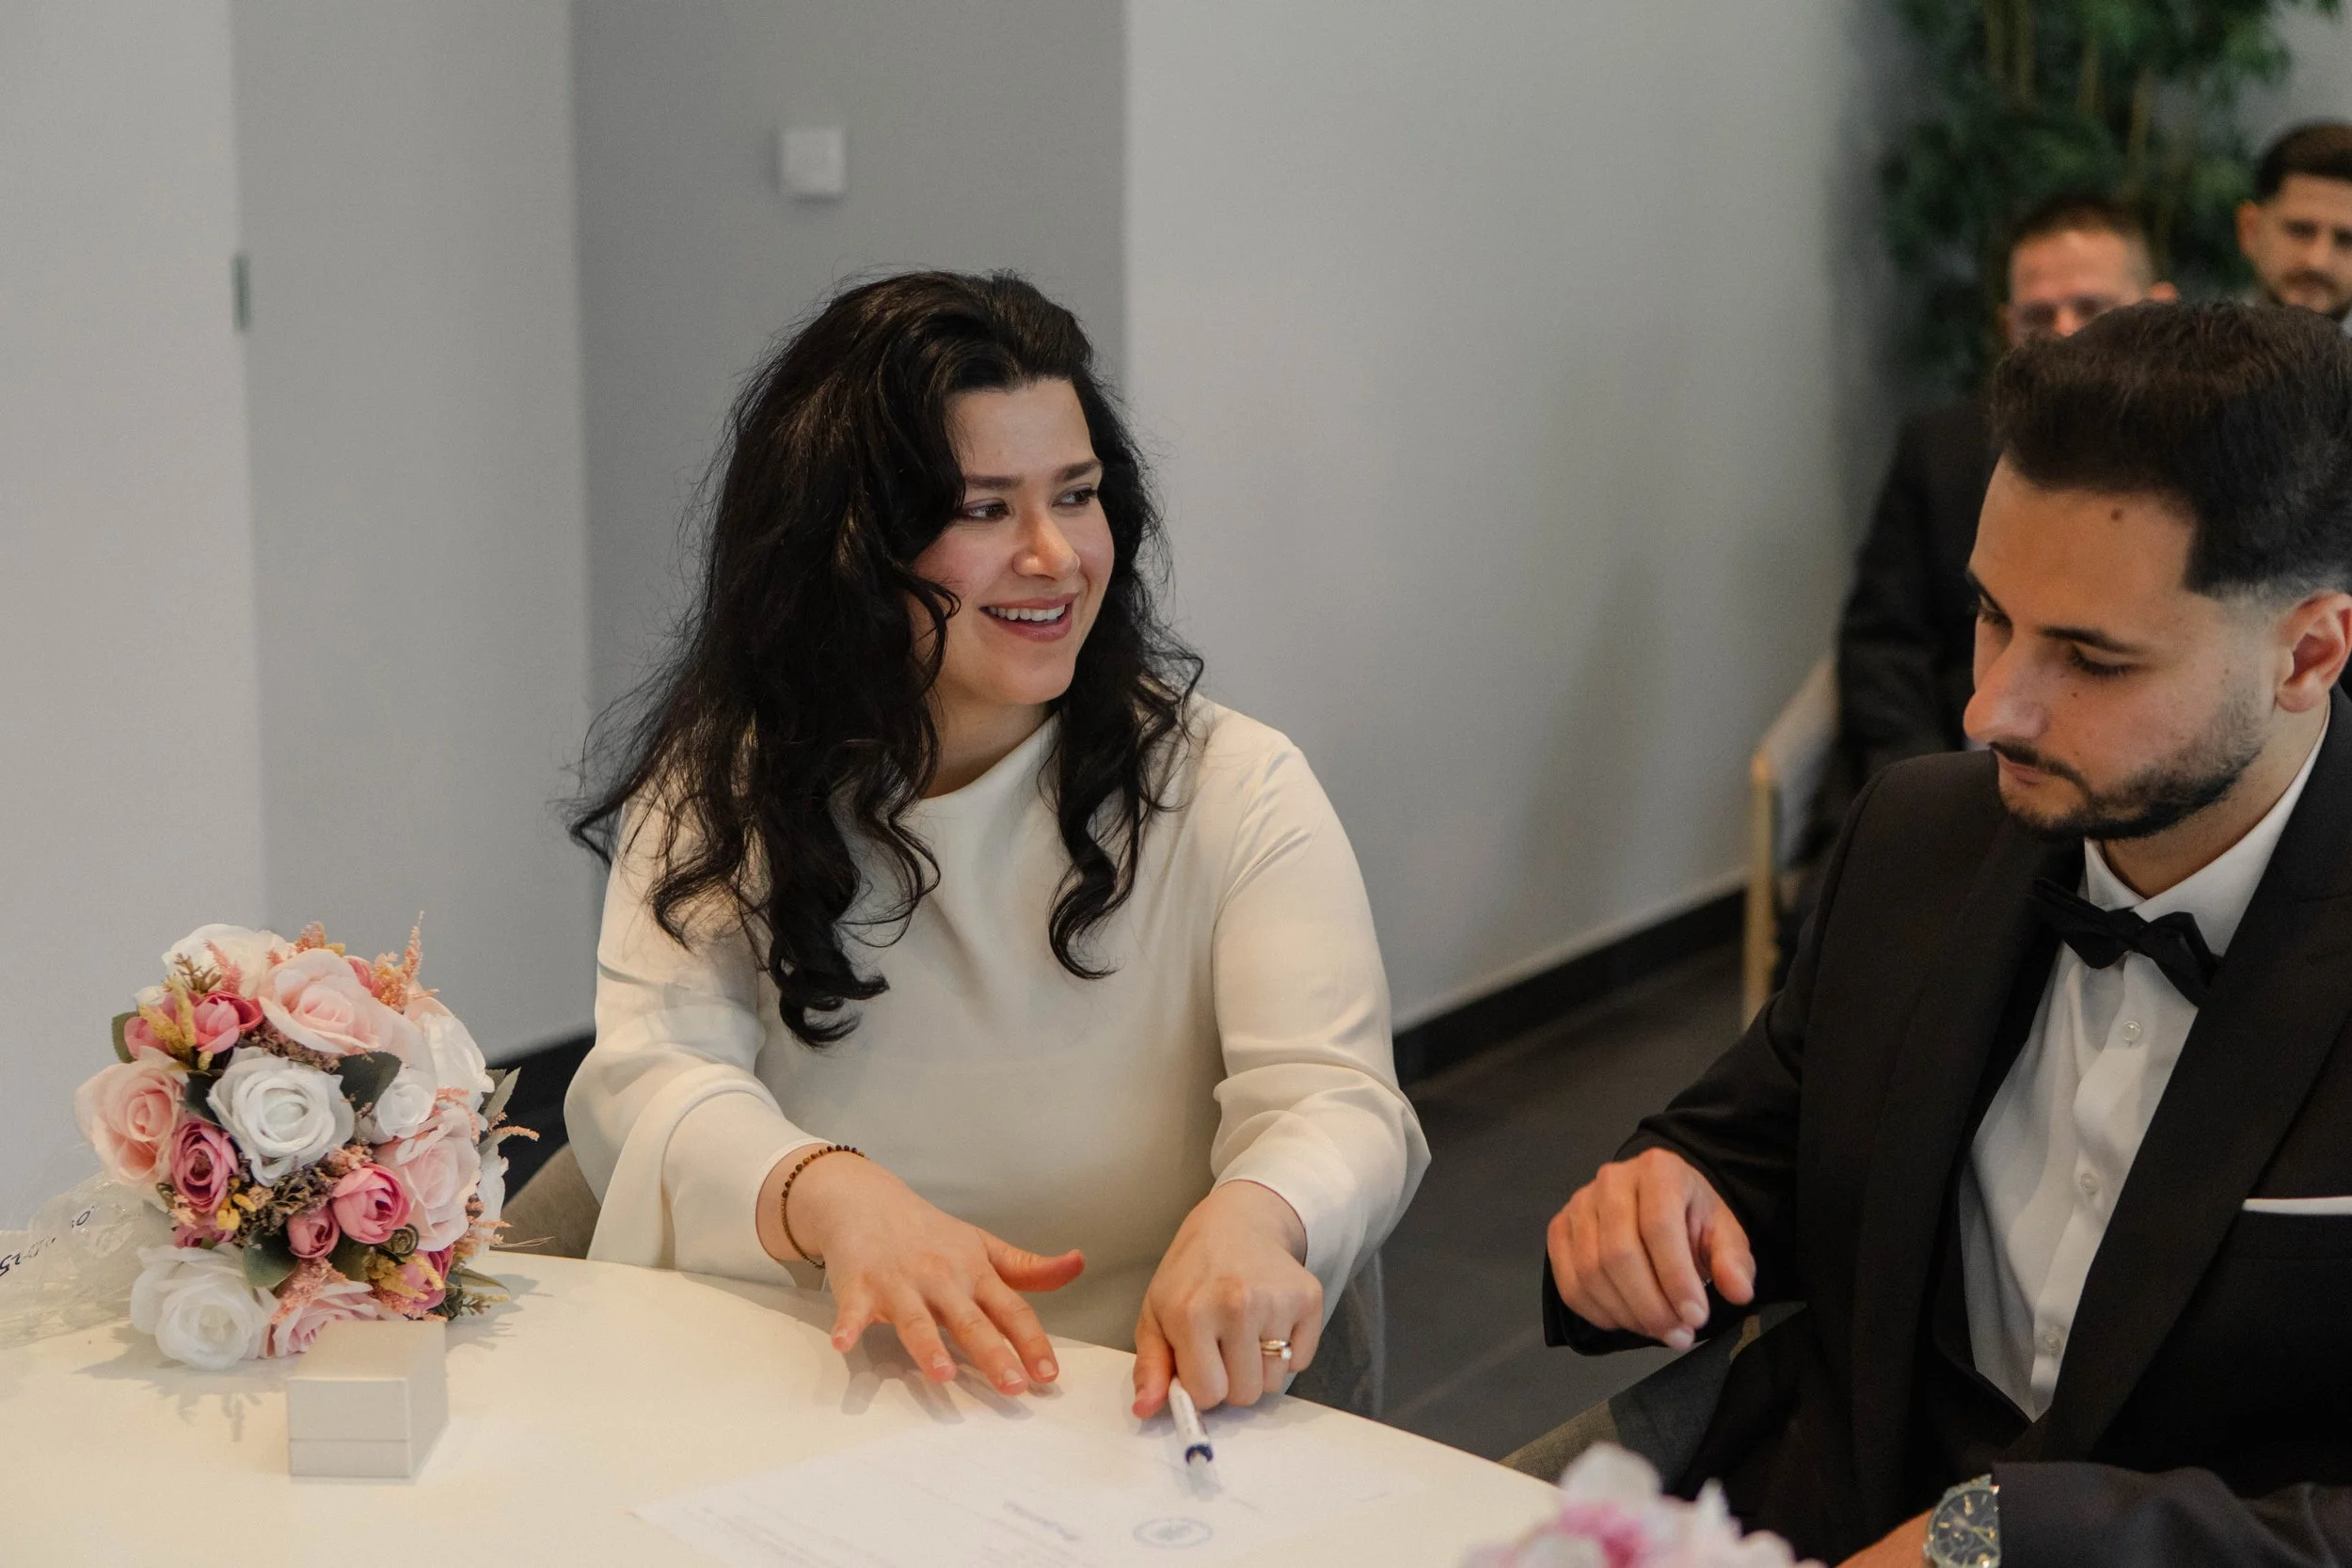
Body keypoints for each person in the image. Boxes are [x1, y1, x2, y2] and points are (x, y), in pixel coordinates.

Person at [1544, 302, 2352, 1565]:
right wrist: (1659, 1199)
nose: (1990, 710)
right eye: (1990, 615)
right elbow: (1753, 1142)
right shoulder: (1921, 833)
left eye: (2091, 658)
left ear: (2306, 653)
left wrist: (2002, 1536)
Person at [564, 272, 1427, 1420]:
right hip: (803, 1387)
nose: (1054, 554)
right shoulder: (724, 781)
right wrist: (831, 1191)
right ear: (847, 543)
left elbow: (1334, 1097)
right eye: (983, 509)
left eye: (1076, 494)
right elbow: (652, 1076)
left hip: (1115, 1411)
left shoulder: (1234, 785)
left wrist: (1259, 1210)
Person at [1830, 195, 2175, 815]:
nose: (2066, 334)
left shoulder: (2208, 466)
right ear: (2008, 328)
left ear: (2158, 310)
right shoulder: (1940, 450)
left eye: (2093, 309)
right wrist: (1924, 790)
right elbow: (1883, 644)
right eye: (2039, 316)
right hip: (1956, 777)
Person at [2238, 121, 2352, 326]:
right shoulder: (2190, 344)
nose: (2318, 261)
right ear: (2250, 229)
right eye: (2300, 230)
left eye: (2347, 240)